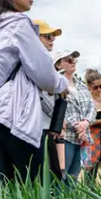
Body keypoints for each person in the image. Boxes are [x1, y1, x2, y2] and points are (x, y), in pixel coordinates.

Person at [0, 0, 69, 183]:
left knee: (11, 188)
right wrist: (63, 85)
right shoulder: (18, 24)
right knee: (39, 189)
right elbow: (44, 73)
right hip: (17, 117)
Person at [53, 48, 95, 183]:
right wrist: (77, 126)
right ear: (58, 64)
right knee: (62, 175)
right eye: (68, 60)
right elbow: (57, 109)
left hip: (81, 137)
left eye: (74, 60)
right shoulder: (56, 85)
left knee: (74, 176)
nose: (73, 62)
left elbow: (92, 108)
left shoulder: (82, 86)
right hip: (65, 137)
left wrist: (86, 123)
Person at [34, 19, 66, 181]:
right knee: (48, 175)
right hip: (37, 128)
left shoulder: (41, 60)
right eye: (47, 36)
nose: (52, 40)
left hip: (45, 128)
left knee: (53, 174)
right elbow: (39, 96)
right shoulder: (36, 61)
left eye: (53, 37)